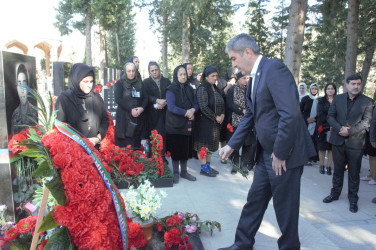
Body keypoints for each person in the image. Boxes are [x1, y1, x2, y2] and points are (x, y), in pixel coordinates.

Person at [219, 33, 316, 250]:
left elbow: (289, 115)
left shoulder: (274, 70)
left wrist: (281, 153)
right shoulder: (255, 76)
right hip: (265, 154)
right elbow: (251, 115)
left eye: (234, 59)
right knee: (254, 202)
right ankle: (242, 244)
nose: (233, 65)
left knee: (285, 210)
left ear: (248, 52)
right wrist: (232, 144)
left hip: (284, 155)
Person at [323, 75, 373, 213]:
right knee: (337, 170)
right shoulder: (338, 99)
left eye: (358, 84)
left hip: (356, 143)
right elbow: (330, 116)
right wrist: (340, 129)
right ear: (347, 84)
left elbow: (366, 121)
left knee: (354, 173)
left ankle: (353, 199)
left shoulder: (368, 101)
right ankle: (335, 194)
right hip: (338, 140)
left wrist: (350, 132)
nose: (356, 86)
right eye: (353, 84)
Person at [55, 63, 109, 149]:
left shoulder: (96, 98)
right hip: (73, 151)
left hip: (94, 149)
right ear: (76, 80)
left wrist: (97, 138)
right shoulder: (64, 99)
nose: (89, 85)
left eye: (91, 81)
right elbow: (61, 127)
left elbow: (105, 120)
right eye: (85, 81)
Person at [165, 65, 198, 183]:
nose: (183, 76)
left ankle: (184, 171)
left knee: (185, 148)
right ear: (176, 75)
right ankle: (175, 172)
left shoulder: (190, 88)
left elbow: (196, 103)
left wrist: (193, 110)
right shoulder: (171, 89)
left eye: (185, 74)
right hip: (174, 124)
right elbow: (171, 107)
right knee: (176, 149)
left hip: (186, 124)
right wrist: (186, 113)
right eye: (181, 74)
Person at [195, 65, 225, 177]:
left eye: (216, 75)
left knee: (211, 147)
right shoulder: (202, 88)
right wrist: (215, 117)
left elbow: (222, 103)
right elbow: (203, 107)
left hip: (215, 124)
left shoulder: (215, 88)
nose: (215, 78)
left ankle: (208, 166)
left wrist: (222, 114)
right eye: (213, 76)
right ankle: (204, 169)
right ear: (206, 77)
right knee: (203, 147)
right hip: (204, 124)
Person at [226, 71, 256, 174]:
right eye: (244, 78)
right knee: (235, 145)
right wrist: (241, 110)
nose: (246, 80)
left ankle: (243, 165)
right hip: (235, 121)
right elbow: (230, 104)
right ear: (238, 79)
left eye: (248, 78)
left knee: (247, 145)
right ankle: (235, 165)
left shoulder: (251, 90)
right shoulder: (232, 90)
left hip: (249, 122)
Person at [114, 62, 147, 149]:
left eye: (133, 71)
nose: (131, 73)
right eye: (129, 71)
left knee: (136, 145)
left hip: (137, 118)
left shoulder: (139, 83)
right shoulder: (120, 84)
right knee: (125, 147)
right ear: (125, 72)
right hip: (124, 118)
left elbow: (145, 98)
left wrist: (141, 108)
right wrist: (130, 109)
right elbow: (118, 99)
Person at [143, 61, 171, 162]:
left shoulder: (166, 81)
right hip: (151, 113)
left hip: (165, 112)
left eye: (156, 70)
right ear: (149, 72)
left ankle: (162, 157)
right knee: (153, 135)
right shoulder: (146, 82)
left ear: (159, 70)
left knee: (163, 135)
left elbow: (170, 93)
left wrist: (164, 102)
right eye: (152, 71)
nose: (155, 72)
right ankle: (153, 156)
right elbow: (146, 96)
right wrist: (157, 101)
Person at [11, 64, 38, 135]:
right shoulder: (15, 113)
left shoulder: (34, 111)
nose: (22, 90)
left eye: (24, 83)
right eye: (19, 83)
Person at [316, 83, 337, 175]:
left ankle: (328, 166)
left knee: (331, 149)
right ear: (325, 90)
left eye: (332, 88)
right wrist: (330, 120)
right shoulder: (321, 101)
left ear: (335, 90)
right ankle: (321, 165)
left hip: (334, 128)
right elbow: (320, 114)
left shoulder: (338, 100)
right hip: (323, 126)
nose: (330, 90)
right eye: (328, 88)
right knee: (322, 148)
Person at [300, 83, 320, 164]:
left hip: (316, 123)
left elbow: (322, 112)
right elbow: (300, 110)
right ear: (310, 89)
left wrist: (315, 119)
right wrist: (306, 119)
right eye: (312, 88)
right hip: (306, 123)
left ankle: (312, 157)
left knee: (313, 140)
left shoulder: (320, 100)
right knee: (305, 140)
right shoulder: (305, 98)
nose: (314, 90)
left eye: (315, 89)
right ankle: (305, 157)